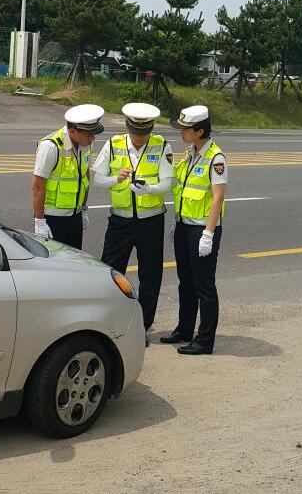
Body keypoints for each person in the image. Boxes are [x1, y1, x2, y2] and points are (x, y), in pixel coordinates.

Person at [93, 103, 174, 344]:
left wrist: (149, 189)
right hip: (120, 220)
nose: (139, 139)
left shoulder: (161, 146)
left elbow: (168, 182)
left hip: (151, 221)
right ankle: (109, 324)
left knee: (150, 275)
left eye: (144, 135)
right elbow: (97, 179)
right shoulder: (113, 144)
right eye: (136, 135)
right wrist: (114, 179)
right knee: (110, 271)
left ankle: (142, 328)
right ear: (128, 128)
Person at [160, 105, 227, 355]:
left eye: (185, 129)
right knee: (185, 282)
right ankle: (184, 329)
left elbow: (218, 198)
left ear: (200, 131)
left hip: (202, 230)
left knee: (204, 286)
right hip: (184, 226)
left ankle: (205, 340)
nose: (181, 133)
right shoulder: (190, 153)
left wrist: (208, 234)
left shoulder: (216, 158)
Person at [32, 104, 105, 249]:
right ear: (72, 131)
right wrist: (40, 221)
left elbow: (85, 176)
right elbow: (37, 186)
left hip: (75, 216)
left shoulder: (85, 145)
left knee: (74, 262)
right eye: (89, 135)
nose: (92, 138)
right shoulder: (51, 146)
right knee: (54, 266)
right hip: (53, 219)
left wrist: (83, 209)